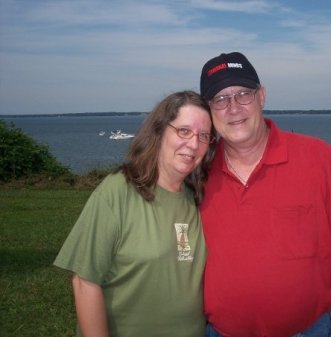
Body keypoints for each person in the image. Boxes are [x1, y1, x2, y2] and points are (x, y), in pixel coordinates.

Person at [198, 52, 331, 337]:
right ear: (208, 110)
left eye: (243, 94)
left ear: (261, 96)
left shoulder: (319, 159)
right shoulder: (198, 174)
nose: (233, 108)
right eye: (220, 99)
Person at [54, 90, 216, 337]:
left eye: (203, 136)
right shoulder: (118, 191)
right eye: (183, 131)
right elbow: (84, 282)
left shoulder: (197, 197)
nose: (194, 144)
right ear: (159, 131)